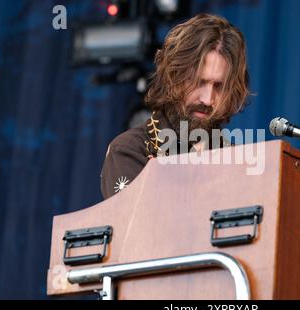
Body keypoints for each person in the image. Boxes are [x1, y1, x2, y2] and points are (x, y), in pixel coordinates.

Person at [100, 13, 251, 199]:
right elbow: (138, 225)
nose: (208, 99)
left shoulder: (237, 161)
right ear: (174, 77)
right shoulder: (130, 149)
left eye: (218, 86)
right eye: (198, 82)